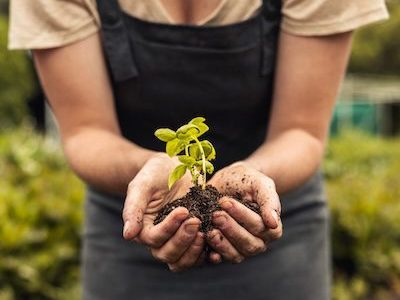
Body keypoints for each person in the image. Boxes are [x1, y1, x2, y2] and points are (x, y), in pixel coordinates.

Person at [9, 0, 388, 299]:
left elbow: (301, 131)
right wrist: (151, 166)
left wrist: (254, 176)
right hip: (133, 225)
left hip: (277, 221)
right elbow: (85, 132)